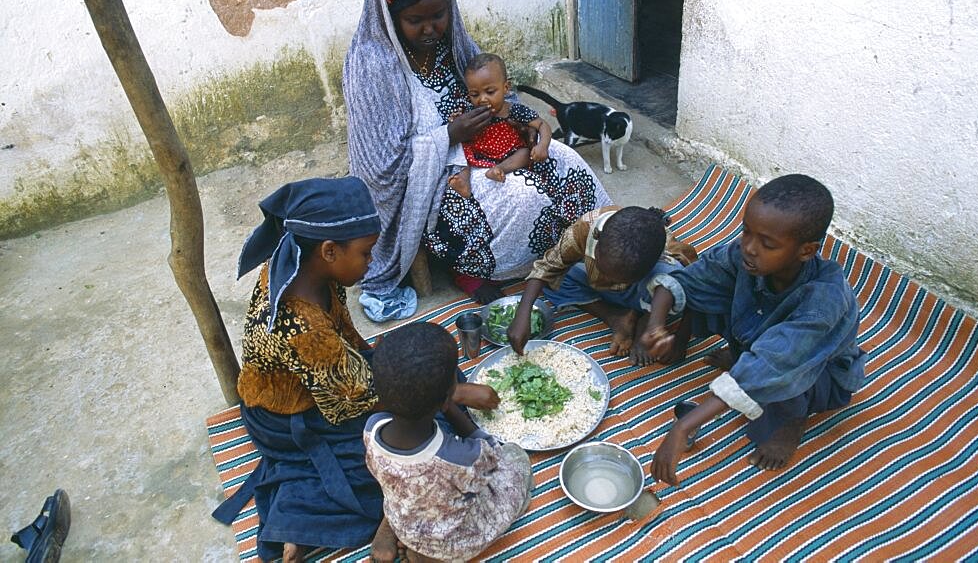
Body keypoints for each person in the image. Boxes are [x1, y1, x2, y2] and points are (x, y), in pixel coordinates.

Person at [211, 177, 499, 563]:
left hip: (331, 379)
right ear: (330, 251)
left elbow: (347, 345)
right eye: (365, 253)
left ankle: (392, 502)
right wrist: (449, 397)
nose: (371, 263)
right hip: (292, 417)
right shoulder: (304, 327)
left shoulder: (303, 262)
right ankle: (326, 519)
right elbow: (345, 405)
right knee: (420, 441)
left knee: (429, 369)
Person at [344, 0, 611, 318]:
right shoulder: (372, 65)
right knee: (517, 196)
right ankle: (474, 271)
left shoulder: (452, 43)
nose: (430, 29)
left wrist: (523, 127)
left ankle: (598, 237)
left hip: (493, 146)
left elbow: (497, 90)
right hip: (435, 177)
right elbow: (380, 166)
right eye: (414, 20)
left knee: (566, 159)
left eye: (439, 15)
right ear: (390, 17)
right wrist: (448, 135)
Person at [647, 174, 866, 483]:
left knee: (774, 382)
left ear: (806, 251)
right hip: (760, 334)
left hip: (815, 373)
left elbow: (776, 361)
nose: (749, 247)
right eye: (746, 232)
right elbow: (694, 277)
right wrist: (656, 327)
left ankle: (793, 422)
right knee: (711, 289)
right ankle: (723, 354)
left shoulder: (823, 301)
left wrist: (683, 427)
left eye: (767, 243)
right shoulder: (746, 256)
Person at [364, 322, 533, 562]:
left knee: (405, 487)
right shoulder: (459, 458)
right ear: (447, 397)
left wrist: (444, 401)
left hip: (407, 514)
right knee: (515, 460)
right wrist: (453, 410)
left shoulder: (372, 428)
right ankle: (433, 556)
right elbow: (492, 456)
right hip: (453, 539)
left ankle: (395, 526)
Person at [507, 206, 698, 365]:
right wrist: (523, 312)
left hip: (643, 293)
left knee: (674, 284)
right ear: (597, 245)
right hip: (597, 286)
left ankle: (647, 319)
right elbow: (548, 266)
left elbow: (696, 293)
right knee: (552, 279)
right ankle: (617, 317)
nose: (610, 280)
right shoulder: (584, 230)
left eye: (618, 277)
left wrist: (679, 341)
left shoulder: (665, 251)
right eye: (602, 268)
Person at [448, 52, 552, 187]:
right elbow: (460, 128)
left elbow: (543, 124)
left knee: (525, 153)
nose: (482, 99)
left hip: (509, 154)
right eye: (474, 94)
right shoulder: (472, 112)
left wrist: (542, 146)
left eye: (490, 92)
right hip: (480, 154)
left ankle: (499, 170)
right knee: (461, 152)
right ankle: (463, 183)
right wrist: (455, 119)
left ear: (506, 88)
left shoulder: (513, 110)